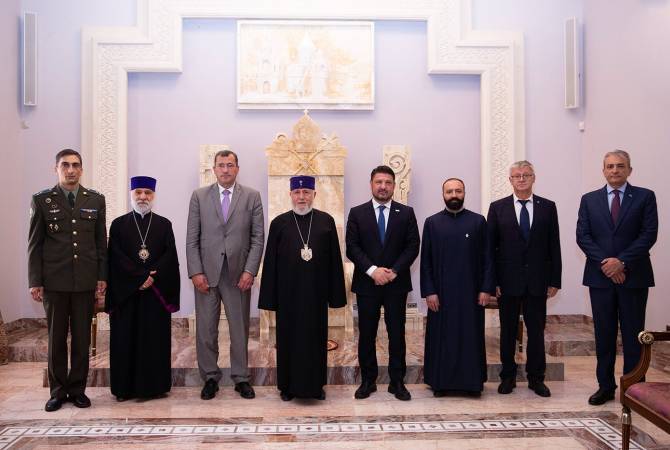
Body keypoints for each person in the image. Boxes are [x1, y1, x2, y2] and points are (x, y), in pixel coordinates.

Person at [28, 149, 107, 412]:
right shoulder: (42, 200)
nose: (70, 170)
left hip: (84, 281)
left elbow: (100, 243)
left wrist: (101, 277)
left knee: (82, 340)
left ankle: (78, 390)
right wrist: (35, 281)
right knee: (56, 340)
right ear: (56, 169)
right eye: (65, 165)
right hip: (54, 282)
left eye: (75, 165)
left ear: (81, 169)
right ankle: (58, 391)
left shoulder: (95, 199)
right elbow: (35, 244)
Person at [577, 150, 658, 405]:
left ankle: (634, 389)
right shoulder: (589, 200)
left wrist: (621, 262)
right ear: (603, 170)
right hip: (600, 278)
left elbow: (649, 234)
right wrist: (608, 264)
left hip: (634, 277)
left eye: (620, 166)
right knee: (604, 334)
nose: (615, 170)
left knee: (634, 335)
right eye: (610, 166)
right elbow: (583, 236)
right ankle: (605, 386)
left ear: (629, 170)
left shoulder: (645, 196)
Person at [258, 176, 346, 401]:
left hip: (316, 295)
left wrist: (335, 296)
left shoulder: (326, 221)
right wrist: (269, 298)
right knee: (288, 341)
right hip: (288, 297)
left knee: (316, 341)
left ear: (314, 194)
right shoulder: (279, 223)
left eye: (306, 192)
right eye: (297, 193)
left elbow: (335, 261)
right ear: (290, 195)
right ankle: (287, 387)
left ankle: (316, 386)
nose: (301, 197)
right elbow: (270, 263)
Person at [186, 150, 264, 400]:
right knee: (206, 330)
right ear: (214, 169)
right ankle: (210, 377)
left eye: (230, 165)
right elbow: (192, 238)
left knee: (239, 330)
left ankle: (241, 378)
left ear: (237, 168)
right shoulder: (199, 196)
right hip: (206, 276)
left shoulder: (252, 196)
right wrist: (195, 271)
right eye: (221, 165)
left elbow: (258, 238)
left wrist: (250, 270)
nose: (226, 170)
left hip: (238, 275)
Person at [487, 161, 561, 397]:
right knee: (507, 331)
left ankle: (536, 378)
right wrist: (493, 282)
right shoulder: (497, 208)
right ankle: (507, 377)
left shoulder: (548, 207)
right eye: (517, 176)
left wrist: (555, 280)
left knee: (536, 332)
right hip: (507, 282)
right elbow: (490, 249)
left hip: (538, 281)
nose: (521, 179)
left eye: (526, 175)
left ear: (533, 178)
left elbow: (554, 245)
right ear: (510, 180)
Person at [345, 165, 420, 401]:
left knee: (397, 334)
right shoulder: (357, 213)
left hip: (396, 284)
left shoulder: (406, 213)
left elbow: (413, 246)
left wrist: (394, 271)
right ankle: (368, 381)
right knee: (367, 334)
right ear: (371, 184)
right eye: (379, 182)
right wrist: (373, 271)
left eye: (388, 182)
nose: (383, 187)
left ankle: (397, 382)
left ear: (394, 186)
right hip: (367, 284)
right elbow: (352, 247)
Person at [106, 176, 180, 401]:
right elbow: (115, 257)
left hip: (155, 295)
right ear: (131, 194)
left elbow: (170, 256)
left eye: (147, 193)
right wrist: (140, 277)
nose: (143, 197)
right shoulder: (118, 224)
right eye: (138, 192)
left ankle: (154, 387)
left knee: (152, 341)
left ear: (154, 196)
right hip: (127, 294)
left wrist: (151, 277)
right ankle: (124, 388)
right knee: (125, 339)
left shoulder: (164, 224)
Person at [421, 178, 494, 397]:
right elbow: (426, 261)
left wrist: (486, 288)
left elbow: (488, 258)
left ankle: (472, 384)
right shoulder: (432, 223)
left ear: (464, 193)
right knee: (442, 339)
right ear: (443, 194)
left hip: (471, 294)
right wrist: (429, 291)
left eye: (458, 191)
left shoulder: (478, 222)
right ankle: (440, 383)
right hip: (440, 296)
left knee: (470, 338)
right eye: (449, 191)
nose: (454, 195)